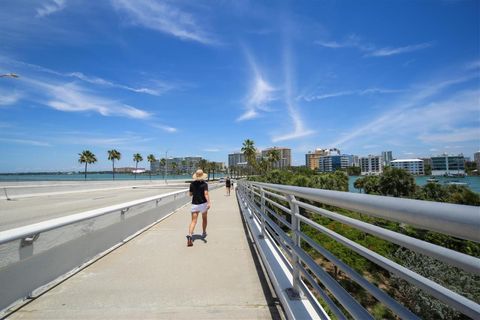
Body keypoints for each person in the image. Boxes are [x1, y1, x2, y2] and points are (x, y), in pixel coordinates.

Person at [187, 169, 211, 247]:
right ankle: (204, 232)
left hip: (195, 204)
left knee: (193, 221)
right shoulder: (204, 184)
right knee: (204, 219)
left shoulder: (192, 184)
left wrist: (194, 192)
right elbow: (206, 194)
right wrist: (209, 202)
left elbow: (190, 194)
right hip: (203, 204)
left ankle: (190, 235)